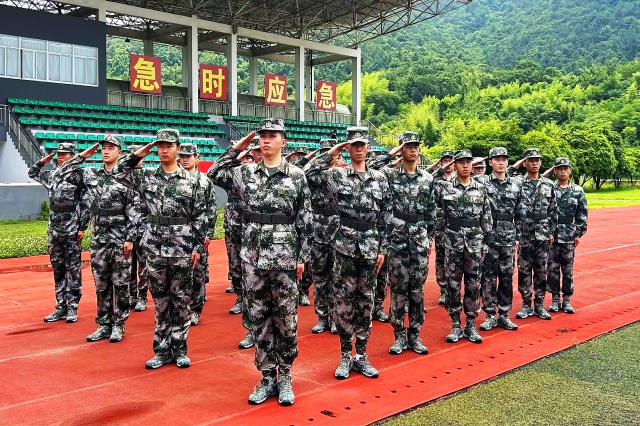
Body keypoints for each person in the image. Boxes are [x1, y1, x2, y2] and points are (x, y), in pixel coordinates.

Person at [208, 119, 312, 406]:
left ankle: (286, 375)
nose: (266, 140)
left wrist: (302, 258)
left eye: (272, 135)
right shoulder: (244, 173)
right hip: (253, 258)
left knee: (286, 320)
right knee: (259, 318)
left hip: (285, 258)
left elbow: (305, 220)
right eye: (262, 135)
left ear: (283, 141)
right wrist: (238, 147)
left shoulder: (297, 176)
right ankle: (267, 376)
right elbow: (215, 173)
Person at [306, 127, 392, 380]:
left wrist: (382, 249)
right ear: (347, 148)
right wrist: (333, 152)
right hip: (344, 245)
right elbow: (309, 173)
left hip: (370, 247)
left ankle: (361, 355)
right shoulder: (337, 175)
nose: (358, 149)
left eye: (361, 145)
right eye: (353, 145)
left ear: (368, 148)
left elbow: (386, 217)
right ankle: (345, 354)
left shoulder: (380, 178)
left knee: (366, 300)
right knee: (344, 301)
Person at [118, 129, 208, 369]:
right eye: (160, 146)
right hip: (155, 248)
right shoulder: (147, 176)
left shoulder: (192, 180)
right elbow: (120, 171)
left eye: (169, 145)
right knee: (160, 301)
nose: (164, 150)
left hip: (182, 248)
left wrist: (197, 247)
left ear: (178, 148)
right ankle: (161, 350)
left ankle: (179, 349)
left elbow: (200, 217)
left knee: (181, 300)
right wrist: (143, 151)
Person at [63, 136, 137, 343]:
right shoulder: (91, 174)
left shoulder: (126, 176)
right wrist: (83, 156)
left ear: (119, 152)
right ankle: (104, 324)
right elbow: (63, 172)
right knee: (101, 283)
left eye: (111, 148)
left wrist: (130, 238)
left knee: (120, 283)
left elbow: (134, 209)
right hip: (99, 238)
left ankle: (119, 324)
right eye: (103, 148)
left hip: (120, 237)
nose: (106, 151)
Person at [373, 132, 436, 355]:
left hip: (419, 242)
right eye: (408, 146)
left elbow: (432, 212)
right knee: (398, 291)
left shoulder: (427, 178)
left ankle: (415, 335)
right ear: (401, 149)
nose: (413, 149)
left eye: (416, 146)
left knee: (417, 292)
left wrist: (429, 238)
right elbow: (373, 165)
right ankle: (399, 335)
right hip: (397, 242)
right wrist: (392, 155)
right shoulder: (390, 175)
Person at [434, 149, 492, 344]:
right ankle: (455, 324)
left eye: (468, 162)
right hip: (453, 242)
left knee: (473, 284)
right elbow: (439, 216)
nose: (465, 165)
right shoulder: (445, 188)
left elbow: (486, 218)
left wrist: (486, 243)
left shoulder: (481, 189)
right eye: (461, 162)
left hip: (475, 242)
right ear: (455, 165)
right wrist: (441, 239)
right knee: (453, 284)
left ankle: (471, 324)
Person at [28, 143, 89, 323]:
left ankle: (73, 307)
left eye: (64, 154)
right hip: (54, 228)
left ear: (73, 156)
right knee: (58, 268)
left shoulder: (79, 175)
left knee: (73, 268)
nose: (60, 157)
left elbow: (85, 203)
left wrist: (82, 227)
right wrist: (43, 161)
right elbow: (32, 173)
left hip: (71, 227)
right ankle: (60, 306)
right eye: (59, 154)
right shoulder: (53, 175)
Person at [475, 147, 520, 331]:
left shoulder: (516, 185)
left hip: (508, 237)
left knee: (507, 277)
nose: (501, 162)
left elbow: (520, 212)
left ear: (507, 162)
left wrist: (518, 236)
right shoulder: (481, 183)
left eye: (504, 159)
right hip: (490, 237)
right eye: (497, 159)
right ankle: (489, 315)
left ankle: (504, 314)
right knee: (488, 277)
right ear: (490, 162)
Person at [300, 139, 342, 334]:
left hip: (339, 232)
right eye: (326, 152)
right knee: (319, 277)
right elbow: (306, 169)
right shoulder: (313, 176)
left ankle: (335, 317)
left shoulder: (344, 175)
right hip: (318, 232)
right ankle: (322, 317)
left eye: (333, 153)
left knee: (338, 278)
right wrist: (326, 155)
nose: (330, 157)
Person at [514, 148, 557, 320]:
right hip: (524, 234)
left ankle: (539, 304)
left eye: (537, 160)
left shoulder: (549, 184)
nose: (534, 163)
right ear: (524, 163)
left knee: (541, 270)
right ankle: (526, 305)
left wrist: (551, 231)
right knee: (524, 270)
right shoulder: (517, 183)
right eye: (530, 160)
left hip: (542, 234)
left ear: (540, 162)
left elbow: (553, 210)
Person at [178, 143, 218, 326]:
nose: (184, 159)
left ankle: (195, 309)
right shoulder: (175, 178)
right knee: (179, 274)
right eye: (182, 156)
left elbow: (211, 209)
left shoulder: (204, 182)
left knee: (198, 273)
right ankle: (181, 308)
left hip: (198, 233)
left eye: (188, 156)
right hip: (178, 234)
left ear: (197, 158)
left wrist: (208, 233)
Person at [548, 157, 588, 314]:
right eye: (560, 168)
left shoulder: (577, 190)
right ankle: (554, 299)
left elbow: (582, 214)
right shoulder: (550, 189)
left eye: (565, 168)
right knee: (552, 269)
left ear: (570, 170)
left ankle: (566, 299)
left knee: (567, 269)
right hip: (552, 235)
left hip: (569, 235)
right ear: (555, 171)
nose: (563, 171)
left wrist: (578, 233)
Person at [124, 145, 149, 312]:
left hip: (144, 228)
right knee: (129, 265)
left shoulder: (147, 176)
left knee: (144, 265)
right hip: (126, 229)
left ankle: (142, 296)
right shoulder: (123, 176)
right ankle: (131, 295)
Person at [431, 150, 456, 305]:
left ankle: (454, 289)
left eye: (450, 160)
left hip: (456, 226)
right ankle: (443, 289)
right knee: (441, 257)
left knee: (454, 258)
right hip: (440, 225)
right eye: (444, 161)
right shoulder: (435, 180)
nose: (448, 164)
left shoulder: (460, 178)